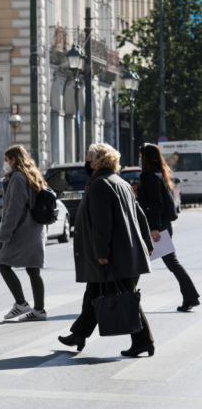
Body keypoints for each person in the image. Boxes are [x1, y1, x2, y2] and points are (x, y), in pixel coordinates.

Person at [59, 143, 155, 357]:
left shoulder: (100, 185)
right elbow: (140, 216)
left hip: (113, 256)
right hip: (125, 254)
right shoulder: (121, 182)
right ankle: (79, 335)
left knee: (124, 297)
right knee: (95, 294)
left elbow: (102, 223)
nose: (86, 163)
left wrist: (101, 253)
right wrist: (147, 244)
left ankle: (144, 341)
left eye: (88, 159)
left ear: (96, 163)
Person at [138, 143, 199, 311]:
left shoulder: (152, 177)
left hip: (157, 227)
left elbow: (156, 204)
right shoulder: (157, 174)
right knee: (146, 260)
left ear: (147, 158)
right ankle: (191, 297)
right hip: (159, 225)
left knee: (168, 262)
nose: (139, 159)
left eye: (141, 156)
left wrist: (154, 228)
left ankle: (191, 297)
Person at [0, 145, 47, 321]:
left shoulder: (18, 177)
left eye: (6, 159)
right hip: (35, 228)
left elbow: (14, 208)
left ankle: (21, 303)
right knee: (33, 269)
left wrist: (5, 233)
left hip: (22, 229)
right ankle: (39, 310)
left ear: (13, 160)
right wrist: (8, 181)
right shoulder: (32, 174)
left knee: (3, 264)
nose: (5, 163)